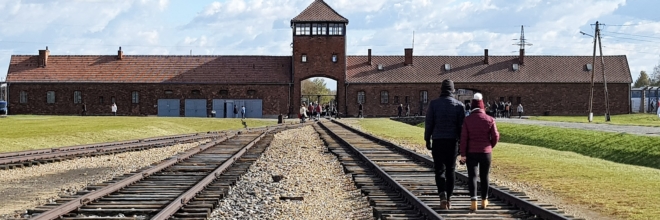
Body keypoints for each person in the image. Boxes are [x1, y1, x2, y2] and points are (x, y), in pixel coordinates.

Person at [424, 79, 465, 210]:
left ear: (441, 89)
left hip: (438, 140)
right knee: (451, 170)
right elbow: (461, 128)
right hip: (452, 141)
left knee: (439, 169)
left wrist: (427, 139)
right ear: (453, 90)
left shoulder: (434, 104)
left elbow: (429, 123)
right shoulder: (459, 106)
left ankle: (442, 195)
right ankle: (449, 198)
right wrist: (461, 145)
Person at [459, 93, 500, 211]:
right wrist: (490, 146)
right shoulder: (490, 119)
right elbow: (495, 136)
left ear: (472, 107)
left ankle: (473, 202)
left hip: (471, 152)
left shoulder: (467, 120)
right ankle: (484, 201)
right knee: (484, 175)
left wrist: (463, 154)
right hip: (486, 152)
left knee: (472, 176)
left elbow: (464, 138)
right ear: (483, 107)